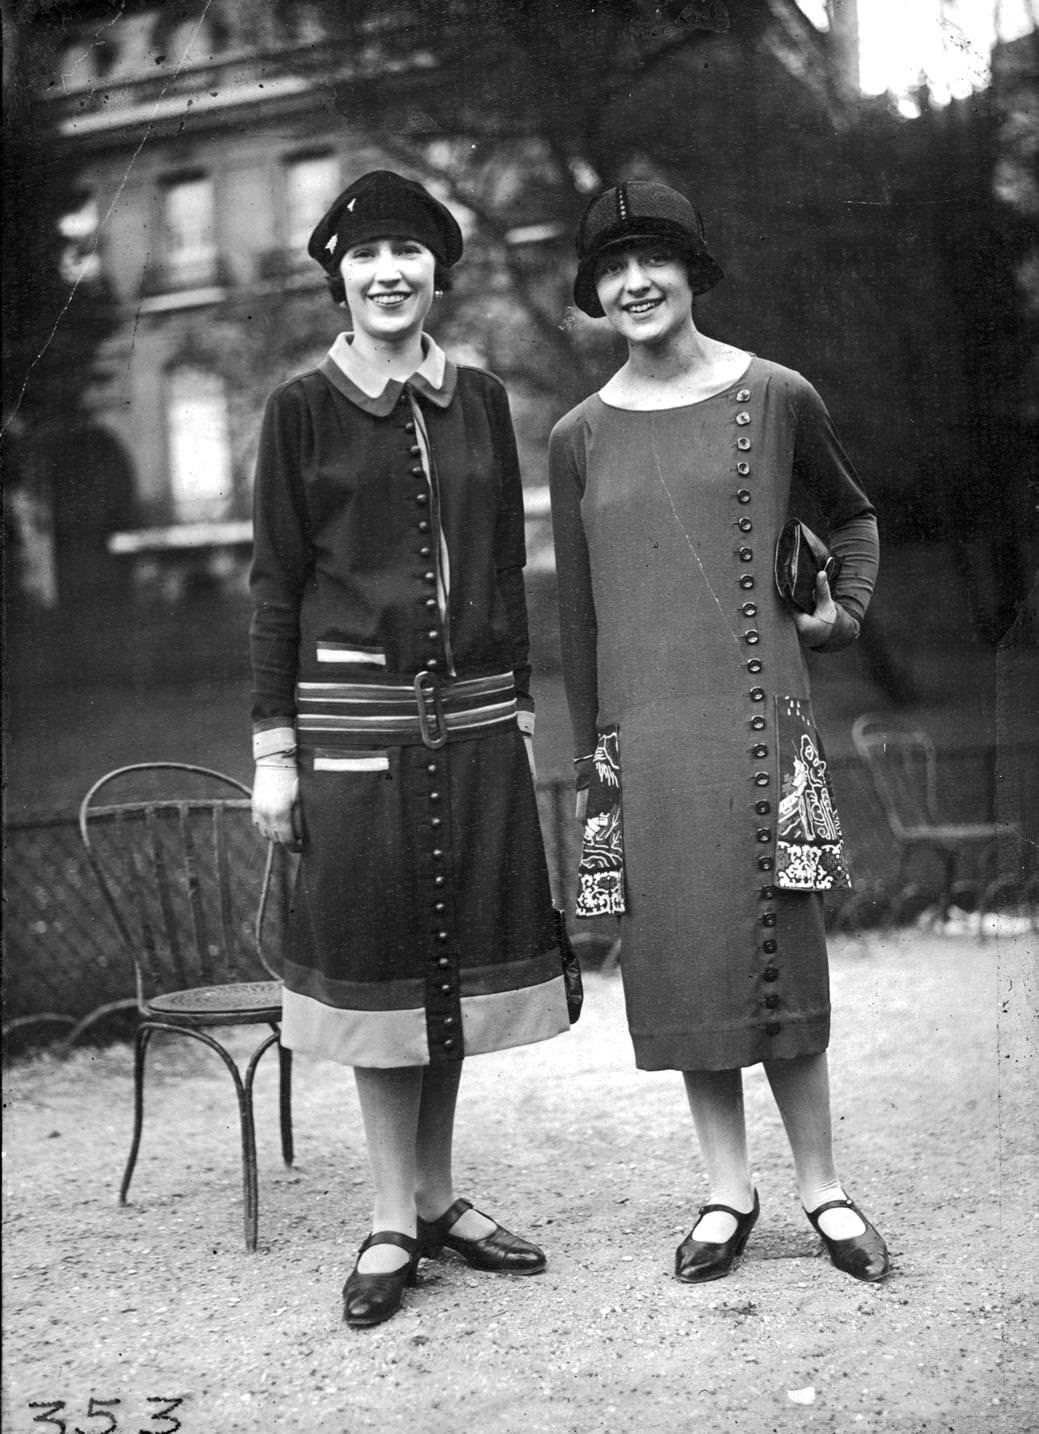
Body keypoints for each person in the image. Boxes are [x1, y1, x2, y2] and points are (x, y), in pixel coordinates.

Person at [549, 180, 890, 1285]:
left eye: (653, 259)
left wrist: (841, 613)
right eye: (612, 268)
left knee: (781, 956)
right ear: (596, 293)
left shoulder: (777, 394)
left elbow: (851, 519)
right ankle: (723, 1191)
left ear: (692, 271)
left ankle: (822, 1188)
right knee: (685, 961)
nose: (634, 282)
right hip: (640, 745)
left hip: (757, 726)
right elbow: (578, 619)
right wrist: (595, 766)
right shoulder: (576, 436)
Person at [249, 169, 570, 1327]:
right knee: (388, 979)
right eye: (367, 253)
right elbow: (274, 586)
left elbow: (500, 566)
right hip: (351, 737)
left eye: (410, 253)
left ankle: (436, 1196)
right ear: (339, 275)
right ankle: (391, 1216)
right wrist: (273, 748)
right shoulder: (300, 408)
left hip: (475, 724)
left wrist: (523, 707)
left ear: (437, 272)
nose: (389, 271)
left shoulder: (478, 398)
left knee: (454, 975)